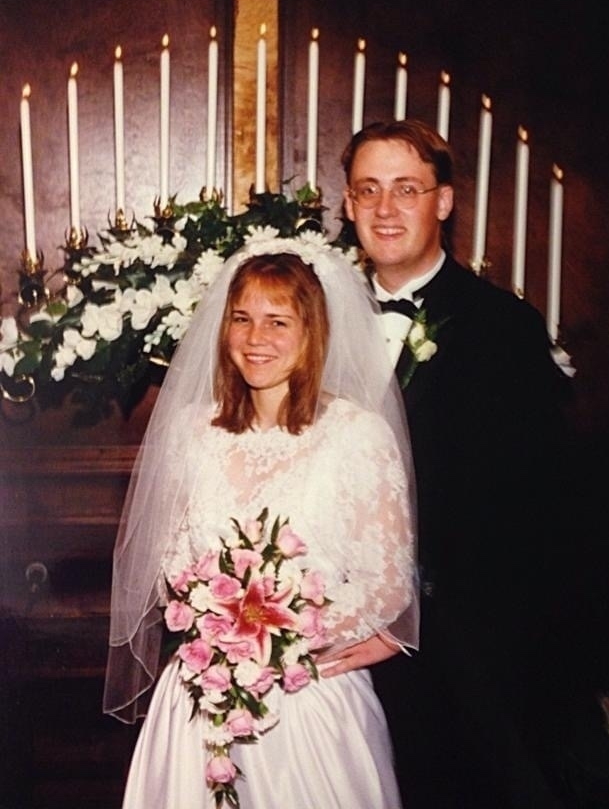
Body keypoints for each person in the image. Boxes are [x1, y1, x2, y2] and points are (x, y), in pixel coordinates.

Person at [103, 232, 418, 809]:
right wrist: (218, 622)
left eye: (277, 321)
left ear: (311, 330)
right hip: (200, 697)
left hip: (310, 699)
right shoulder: (190, 432)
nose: (255, 339)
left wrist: (276, 636)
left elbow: (388, 581)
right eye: (242, 318)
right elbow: (170, 556)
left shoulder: (356, 435)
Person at [323, 119, 572, 807]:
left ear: (442, 201)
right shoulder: (312, 323)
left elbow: (528, 508)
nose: (383, 209)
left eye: (405, 189)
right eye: (367, 190)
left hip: (461, 649)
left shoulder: (502, 328)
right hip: (335, 634)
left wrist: (408, 611)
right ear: (345, 204)